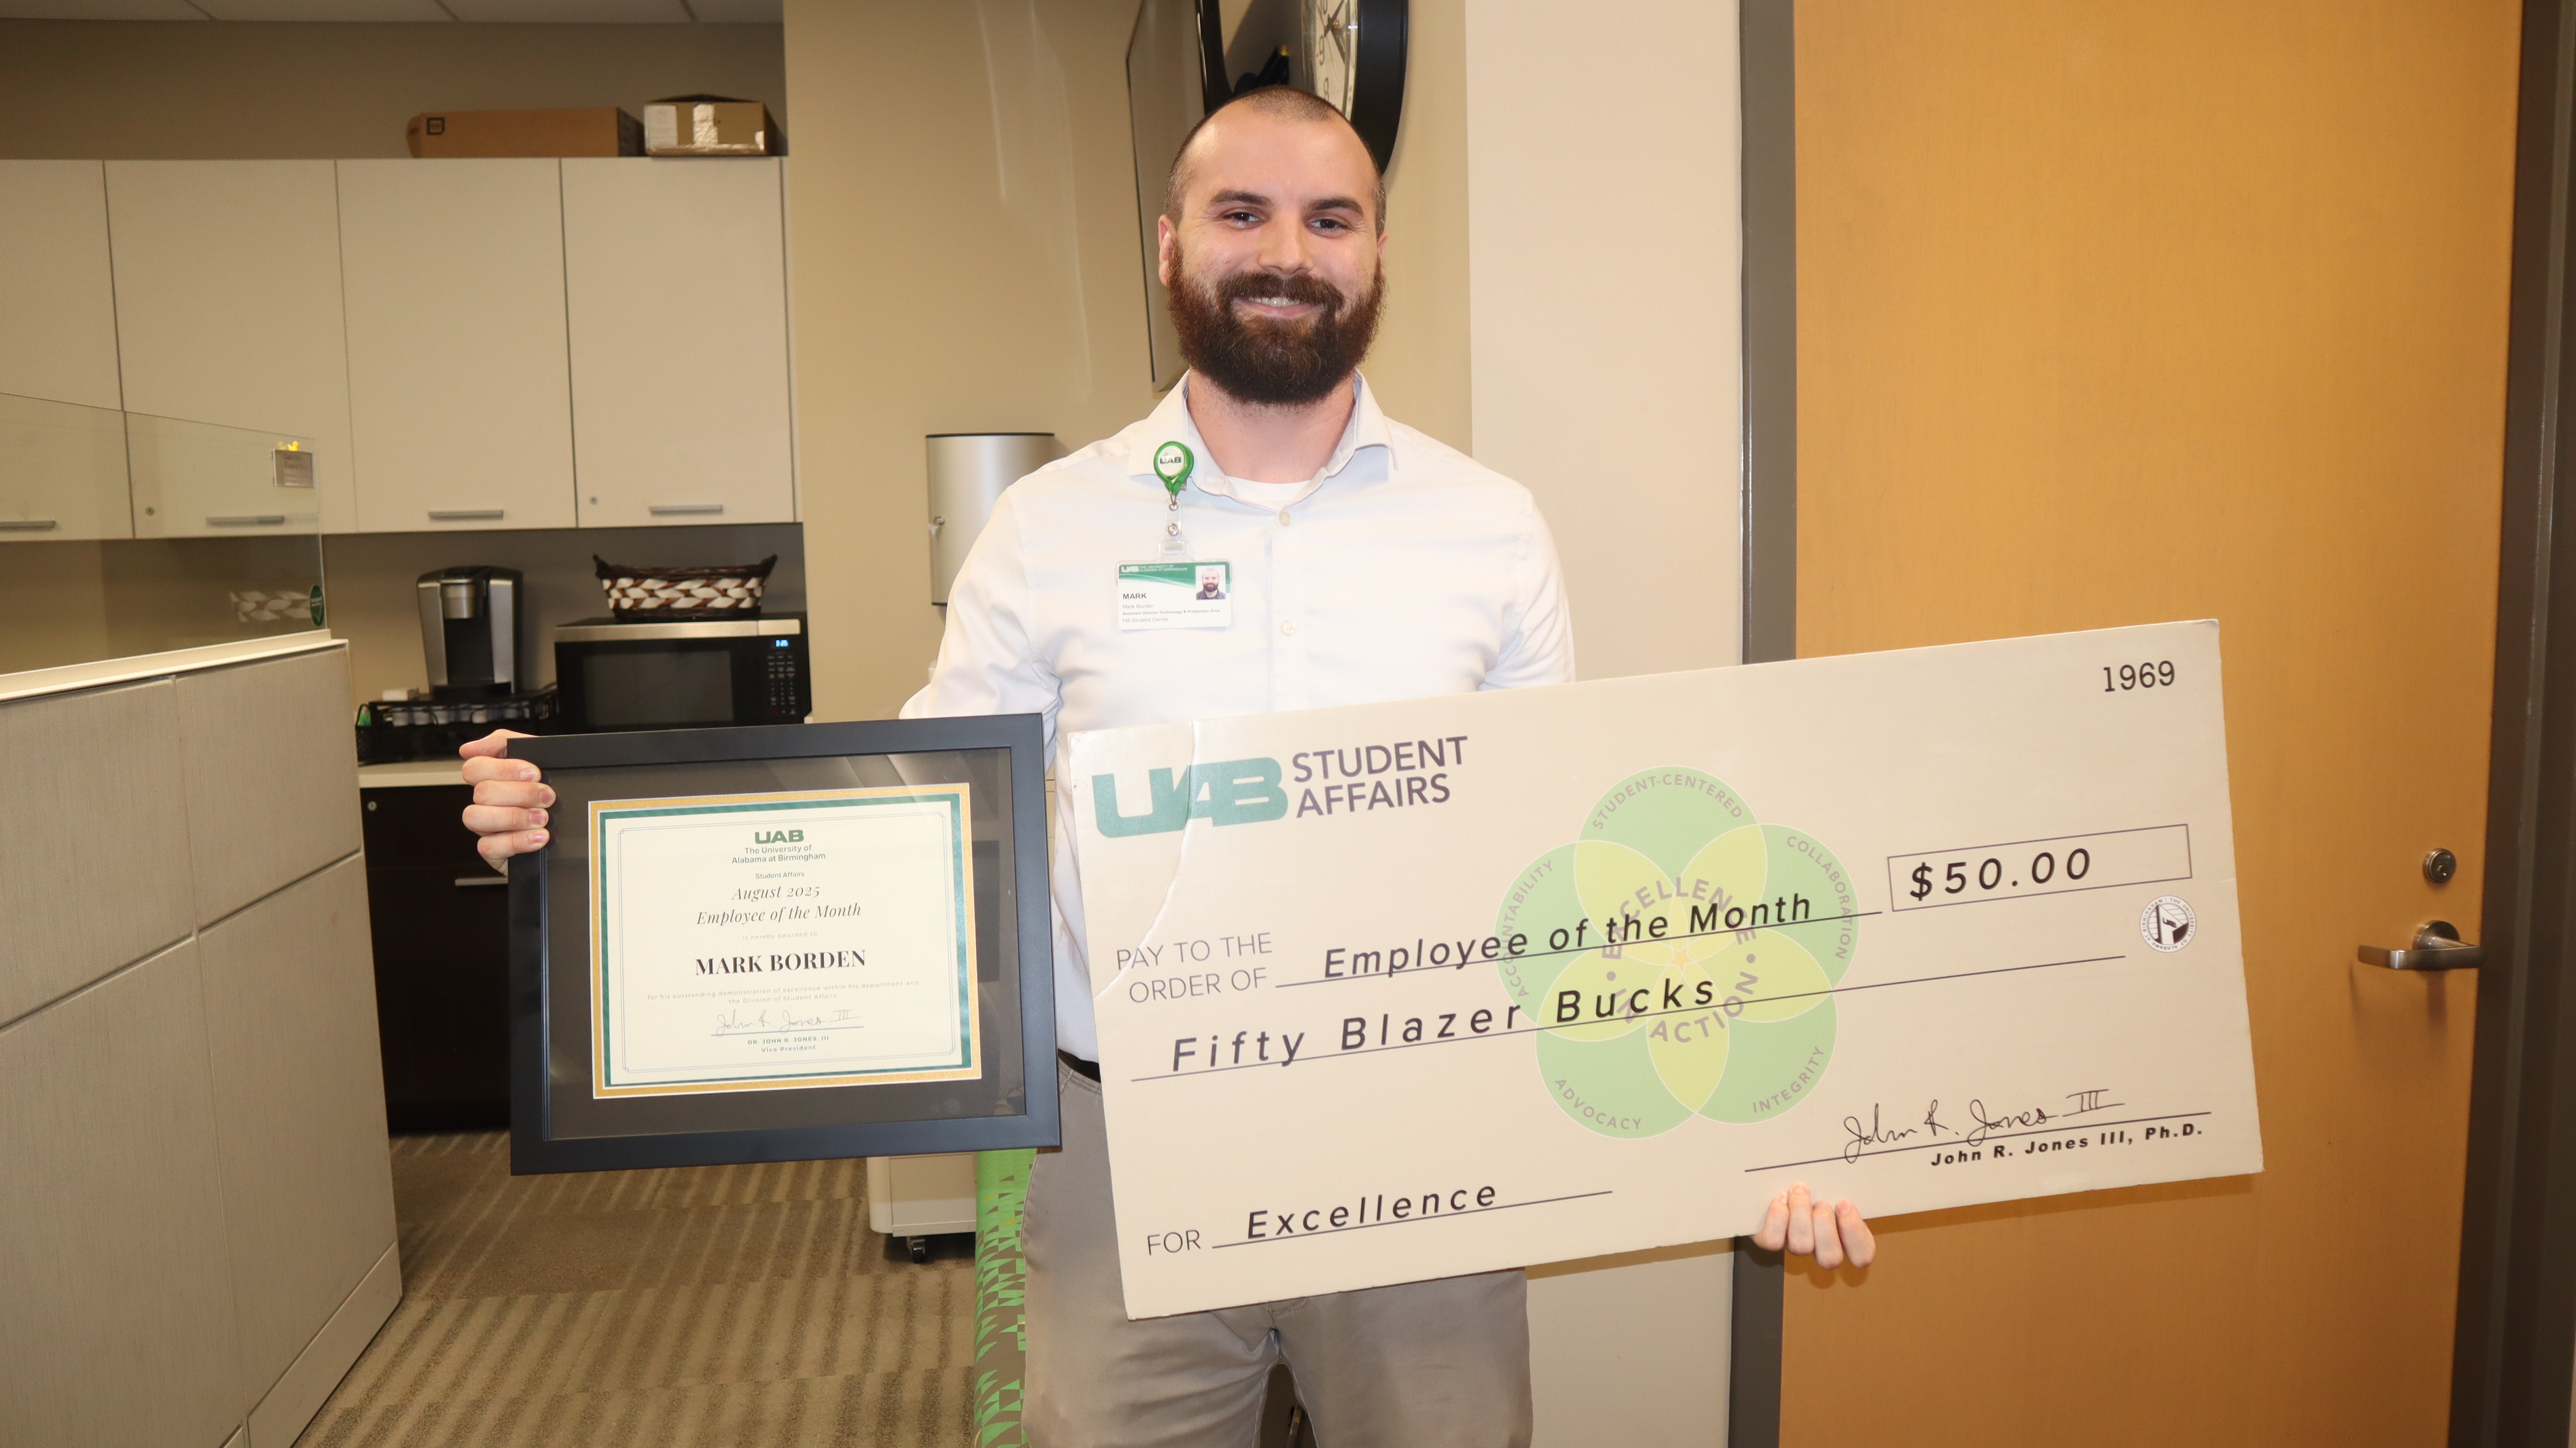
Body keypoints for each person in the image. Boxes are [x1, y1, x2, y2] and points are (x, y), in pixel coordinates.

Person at [459, 84, 1871, 1448]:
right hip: (1115, 1146)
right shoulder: (1048, 527)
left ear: (1378, 250)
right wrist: (592, 836)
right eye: (1241, 212)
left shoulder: (1489, 528)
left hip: (1419, 1128)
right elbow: (922, 809)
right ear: (1169, 244)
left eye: (1331, 218)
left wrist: (1759, 1122)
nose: (1287, 252)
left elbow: (1565, 855)